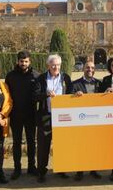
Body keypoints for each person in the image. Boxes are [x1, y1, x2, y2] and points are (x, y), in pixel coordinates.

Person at [35, 54, 73, 183]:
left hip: (62, 117)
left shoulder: (65, 78)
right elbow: (35, 96)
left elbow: (71, 94)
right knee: (43, 145)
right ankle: (41, 171)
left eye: (57, 64)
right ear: (48, 66)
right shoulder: (41, 78)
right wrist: (45, 94)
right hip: (46, 116)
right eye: (53, 64)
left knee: (61, 144)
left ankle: (61, 169)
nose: (55, 67)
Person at [5, 50, 39, 179]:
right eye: (21, 61)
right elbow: (6, 96)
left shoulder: (36, 76)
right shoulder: (11, 76)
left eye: (26, 61)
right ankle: (17, 169)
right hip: (15, 115)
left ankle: (31, 167)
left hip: (31, 115)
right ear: (18, 61)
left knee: (31, 142)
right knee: (16, 142)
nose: (23, 63)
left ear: (29, 61)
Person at [72, 60, 103, 181]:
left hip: (96, 121)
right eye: (87, 67)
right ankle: (79, 171)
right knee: (81, 146)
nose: (90, 69)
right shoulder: (75, 84)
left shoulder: (99, 84)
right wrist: (74, 96)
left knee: (94, 146)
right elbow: (67, 99)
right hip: (81, 121)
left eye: (92, 68)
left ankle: (93, 170)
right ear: (83, 69)